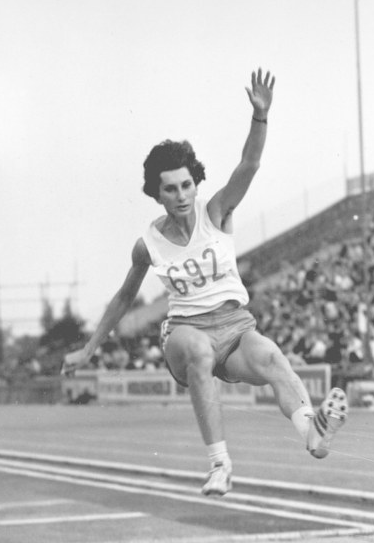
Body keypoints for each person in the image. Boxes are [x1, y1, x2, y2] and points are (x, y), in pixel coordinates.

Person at [62, 68, 348, 496]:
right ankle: (219, 464)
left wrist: (260, 116)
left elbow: (249, 164)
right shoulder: (149, 245)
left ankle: (312, 434)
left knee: (272, 357)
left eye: (187, 186)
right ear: (156, 194)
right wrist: (88, 348)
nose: (181, 196)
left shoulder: (216, 213)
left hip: (235, 326)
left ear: (197, 185)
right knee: (196, 349)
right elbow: (124, 299)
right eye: (171, 189)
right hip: (185, 332)